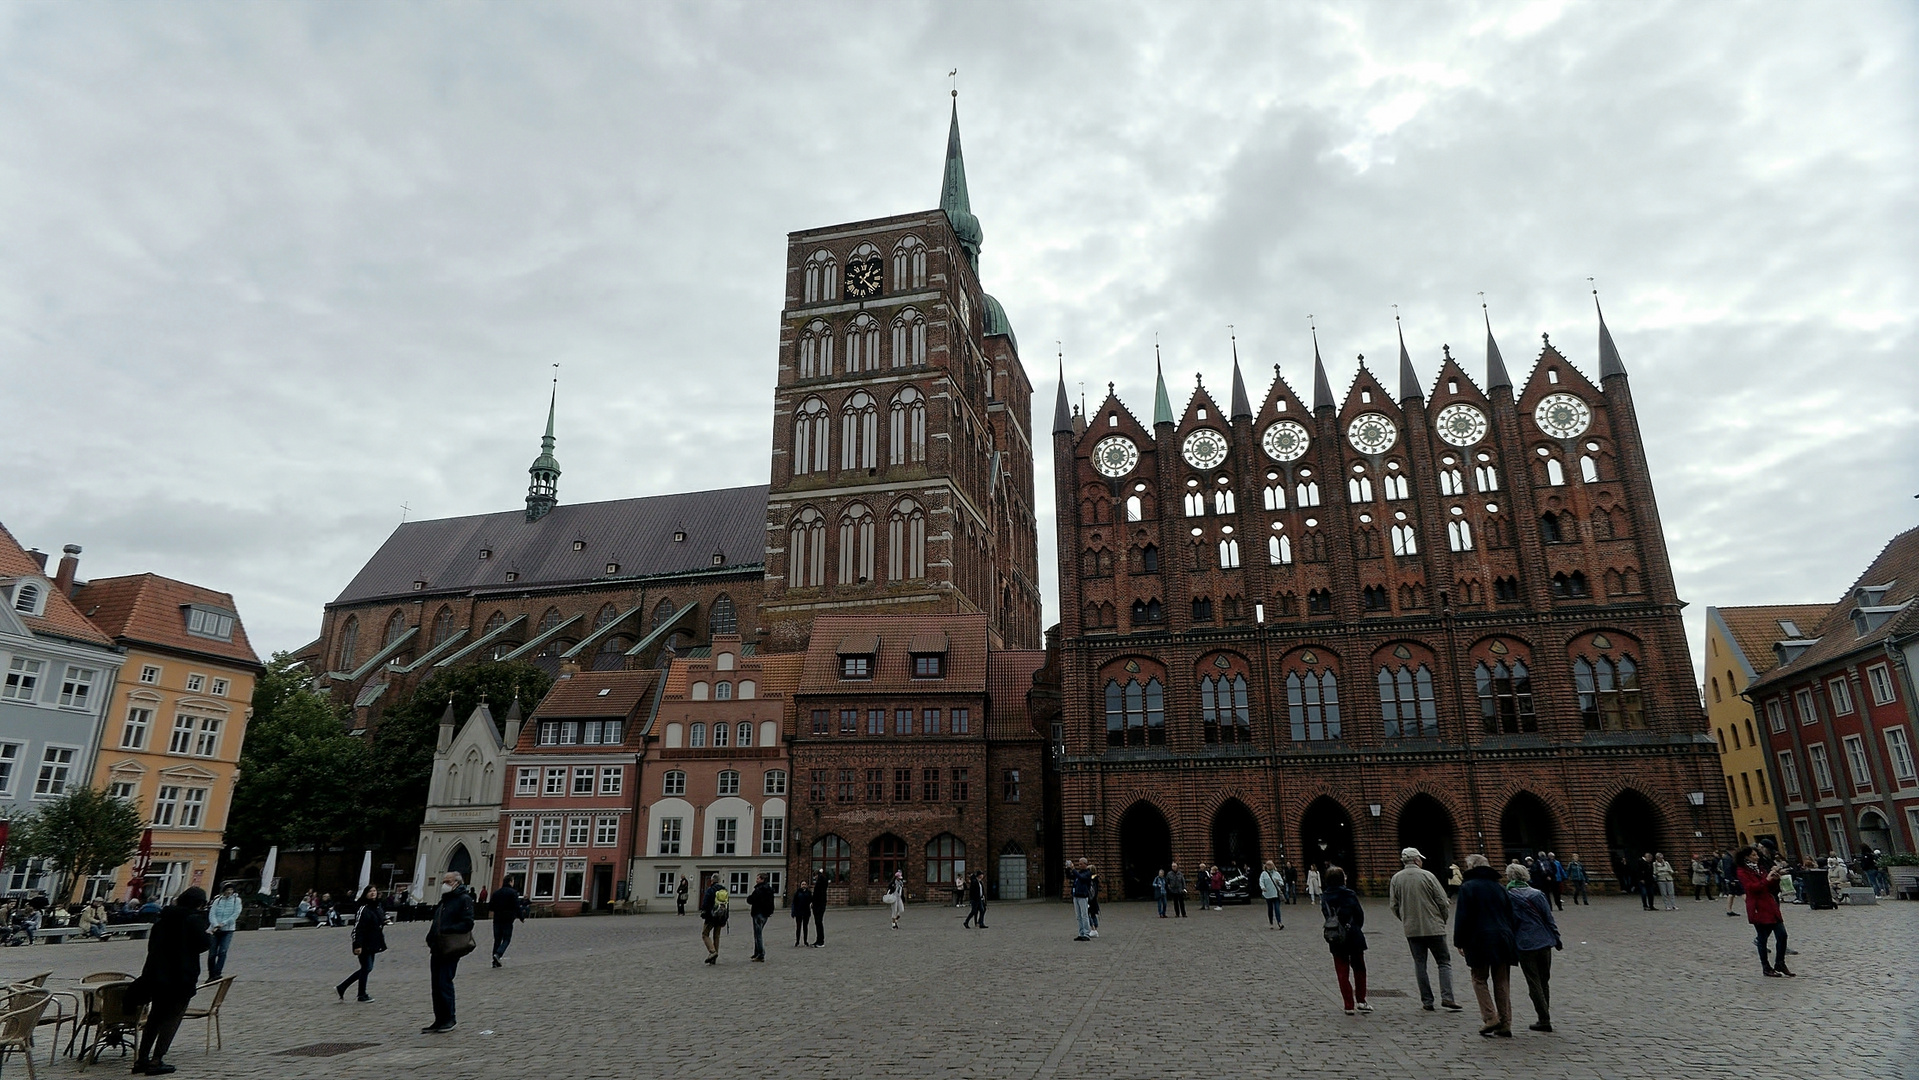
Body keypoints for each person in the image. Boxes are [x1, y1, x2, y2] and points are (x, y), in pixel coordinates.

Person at [128, 886, 211, 1075]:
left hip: (157, 976)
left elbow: (152, 947)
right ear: (199, 904)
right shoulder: (193, 919)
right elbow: (203, 944)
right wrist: (209, 935)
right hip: (180, 978)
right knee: (172, 1018)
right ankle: (157, 1060)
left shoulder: (163, 919)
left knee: (155, 1018)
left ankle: (142, 1059)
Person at [1389, 847, 1462, 1013]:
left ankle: (1427, 1000)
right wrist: (1442, 920)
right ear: (1416, 860)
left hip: (1412, 929)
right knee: (1444, 962)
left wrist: (1406, 919)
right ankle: (1448, 997)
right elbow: (1443, 901)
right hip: (1434, 927)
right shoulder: (1428, 876)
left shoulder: (1396, 879)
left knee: (1420, 964)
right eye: (1420, 859)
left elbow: (1393, 905)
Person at [1453, 854, 1517, 1038]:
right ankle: (1505, 1022)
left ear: (1472, 867)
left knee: (1479, 978)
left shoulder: (1468, 887)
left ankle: (1490, 1017)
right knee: (1502, 980)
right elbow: (1510, 915)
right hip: (1503, 937)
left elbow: (1462, 917)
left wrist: (1460, 941)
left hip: (1479, 938)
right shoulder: (1500, 887)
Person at [1505, 863, 1562, 1032]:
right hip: (1544, 941)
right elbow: (1548, 918)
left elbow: (1509, 923)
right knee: (1544, 981)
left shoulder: (1508, 896)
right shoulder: (1537, 894)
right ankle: (1544, 1016)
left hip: (1524, 944)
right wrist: (1556, 938)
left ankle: (1544, 1018)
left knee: (1534, 981)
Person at [422, 871, 474, 1033]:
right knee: (436, 985)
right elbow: (436, 921)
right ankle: (439, 1019)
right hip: (437, 947)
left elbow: (467, 923)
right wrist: (431, 938)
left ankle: (449, 1018)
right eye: (443, 881)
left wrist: (446, 930)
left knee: (444, 982)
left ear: (457, 883)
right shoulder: (444, 900)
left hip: (451, 947)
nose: (444, 885)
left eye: (448, 881)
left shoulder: (463, 899)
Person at [1735, 846, 1794, 977]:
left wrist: (1775, 879)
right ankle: (1766, 966)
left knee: (1782, 935)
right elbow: (1752, 888)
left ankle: (1780, 962)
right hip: (1758, 907)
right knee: (1762, 938)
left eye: (1757, 855)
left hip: (1770, 905)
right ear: (1746, 857)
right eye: (1754, 855)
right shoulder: (1742, 871)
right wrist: (1767, 879)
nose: (1757, 857)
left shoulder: (1760, 868)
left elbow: (1769, 887)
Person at [1319, 866, 1369, 1015]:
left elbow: (1326, 914)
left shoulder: (1325, 896)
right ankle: (1361, 1000)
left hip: (1335, 935)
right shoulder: (1349, 894)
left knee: (1342, 971)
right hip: (1352, 934)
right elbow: (1359, 915)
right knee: (1359, 968)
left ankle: (1348, 1005)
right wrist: (1354, 927)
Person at [336, 886, 386, 1002]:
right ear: (365, 894)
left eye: (374, 891)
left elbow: (380, 919)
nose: (373, 893)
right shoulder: (363, 909)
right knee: (367, 967)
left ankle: (342, 987)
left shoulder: (378, 907)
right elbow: (357, 928)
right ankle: (360, 994)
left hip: (373, 942)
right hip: (364, 943)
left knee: (367, 968)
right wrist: (357, 945)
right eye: (370, 891)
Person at [205, 885, 242, 980]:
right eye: (227, 890)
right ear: (224, 891)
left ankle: (217, 973)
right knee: (212, 953)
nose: (229, 891)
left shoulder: (236, 901)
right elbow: (212, 913)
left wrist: (224, 923)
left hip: (228, 930)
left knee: (222, 951)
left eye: (231, 889)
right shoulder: (218, 901)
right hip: (215, 929)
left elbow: (235, 914)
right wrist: (215, 924)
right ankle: (211, 974)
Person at [489, 879, 523, 967]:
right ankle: (498, 954)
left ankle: (495, 962)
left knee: (497, 940)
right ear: (511, 882)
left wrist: (498, 909)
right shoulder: (513, 893)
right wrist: (521, 917)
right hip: (508, 919)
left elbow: (490, 906)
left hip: (497, 919)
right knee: (506, 939)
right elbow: (516, 906)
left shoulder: (496, 893)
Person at [697, 873, 728, 964]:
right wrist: (725, 917)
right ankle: (714, 957)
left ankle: (712, 951)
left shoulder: (710, 890)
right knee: (716, 936)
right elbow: (727, 905)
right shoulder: (724, 890)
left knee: (705, 934)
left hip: (711, 916)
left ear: (712, 881)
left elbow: (705, 904)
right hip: (721, 915)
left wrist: (703, 912)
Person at [747, 873, 776, 961]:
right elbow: (771, 903)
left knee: (758, 934)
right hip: (765, 914)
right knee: (757, 933)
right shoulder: (769, 890)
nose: (756, 880)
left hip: (758, 913)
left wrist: (749, 898)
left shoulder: (758, 890)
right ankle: (757, 953)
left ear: (762, 879)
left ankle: (760, 954)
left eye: (758, 878)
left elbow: (750, 900)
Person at [1070, 858, 1094, 941]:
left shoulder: (1087, 873)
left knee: (1084, 915)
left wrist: (1073, 869)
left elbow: (1081, 877)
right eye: (1079, 864)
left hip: (1083, 896)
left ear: (1085, 864)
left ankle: (1086, 933)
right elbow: (1070, 876)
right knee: (1078, 916)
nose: (1079, 865)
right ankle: (1081, 933)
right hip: (1076, 895)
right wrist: (1068, 869)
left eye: (1081, 864)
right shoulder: (1079, 873)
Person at [1259, 860, 1285, 929]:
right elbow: (1261, 882)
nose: (1269, 866)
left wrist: (1278, 882)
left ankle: (1279, 922)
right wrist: (1263, 887)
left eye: (1270, 865)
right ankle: (1271, 922)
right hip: (1268, 894)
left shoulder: (1276, 873)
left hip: (1276, 894)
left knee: (1277, 908)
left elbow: (1282, 883)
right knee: (1270, 909)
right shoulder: (1263, 874)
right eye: (1268, 865)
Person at [810, 870, 830, 947]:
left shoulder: (820, 882)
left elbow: (817, 895)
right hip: (819, 905)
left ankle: (820, 941)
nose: (814, 878)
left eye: (815, 876)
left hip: (819, 905)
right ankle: (819, 940)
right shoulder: (821, 883)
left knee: (818, 923)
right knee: (818, 923)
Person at [790, 880, 813, 946]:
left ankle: (805, 941)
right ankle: (797, 941)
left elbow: (811, 901)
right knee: (798, 927)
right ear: (800, 885)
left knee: (805, 927)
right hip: (798, 912)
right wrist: (793, 912)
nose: (804, 885)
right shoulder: (797, 893)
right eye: (802, 884)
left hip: (806, 911)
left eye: (805, 884)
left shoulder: (808, 893)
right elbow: (794, 903)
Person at [1721, 850, 1743, 917]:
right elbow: (1728, 869)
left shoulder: (1728, 857)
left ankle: (1729, 910)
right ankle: (1753, 908)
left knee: (1731, 894)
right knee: (1743, 893)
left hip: (1733, 878)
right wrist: (1731, 880)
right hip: (1734, 879)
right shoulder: (1728, 858)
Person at [1086, 865, 1102, 936]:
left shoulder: (1091, 879)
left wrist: (1089, 899)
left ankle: (1093, 928)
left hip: (1090, 900)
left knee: (1087, 914)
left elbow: (1092, 891)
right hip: (1094, 900)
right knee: (1093, 914)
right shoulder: (1095, 879)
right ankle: (1095, 927)